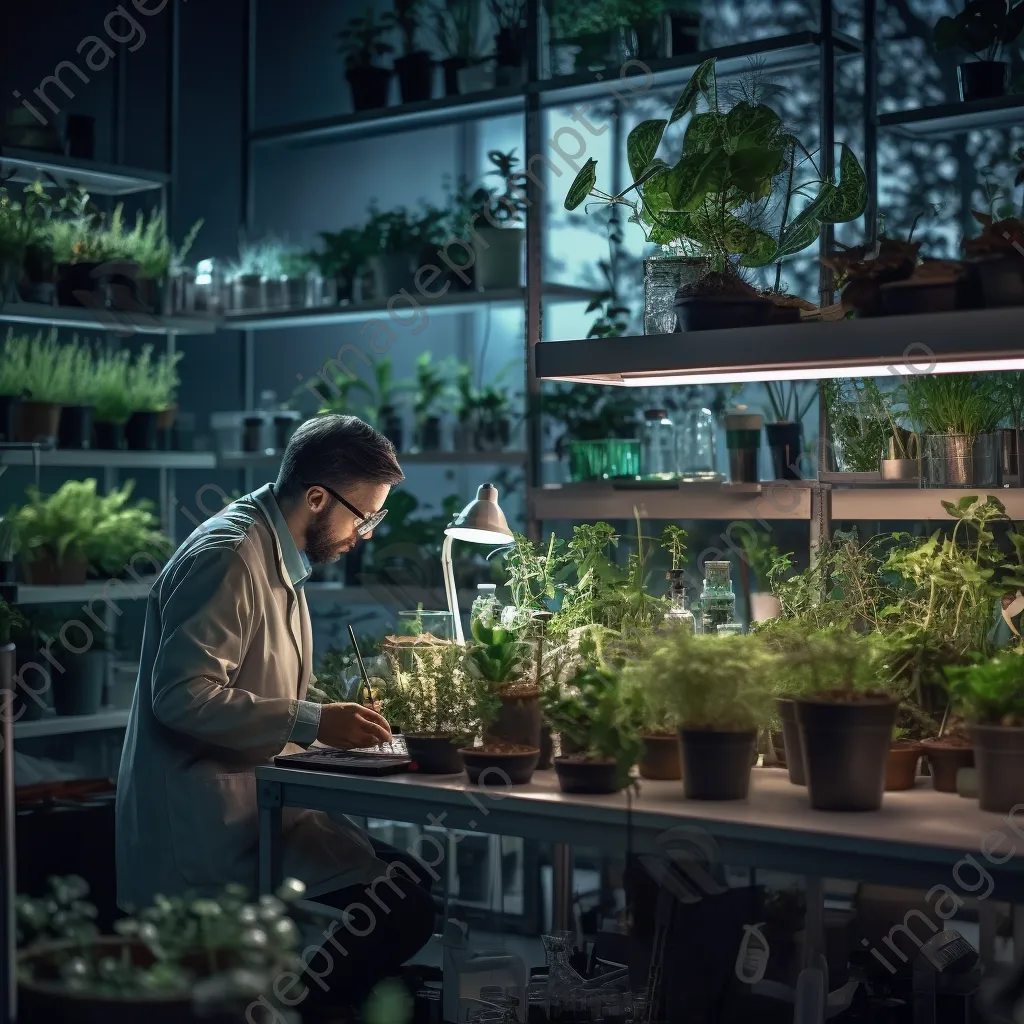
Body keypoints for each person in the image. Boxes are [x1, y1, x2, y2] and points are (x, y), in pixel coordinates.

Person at [115, 413, 435, 1011]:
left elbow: (256, 684)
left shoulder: (274, 551)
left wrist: (328, 720)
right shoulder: (230, 555)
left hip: (255, 811)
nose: (364, 534)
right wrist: (314, 721)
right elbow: (182, 695)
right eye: (364, 517)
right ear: (317, 497)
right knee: (400, 909)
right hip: (204, 829)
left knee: (411, 883)